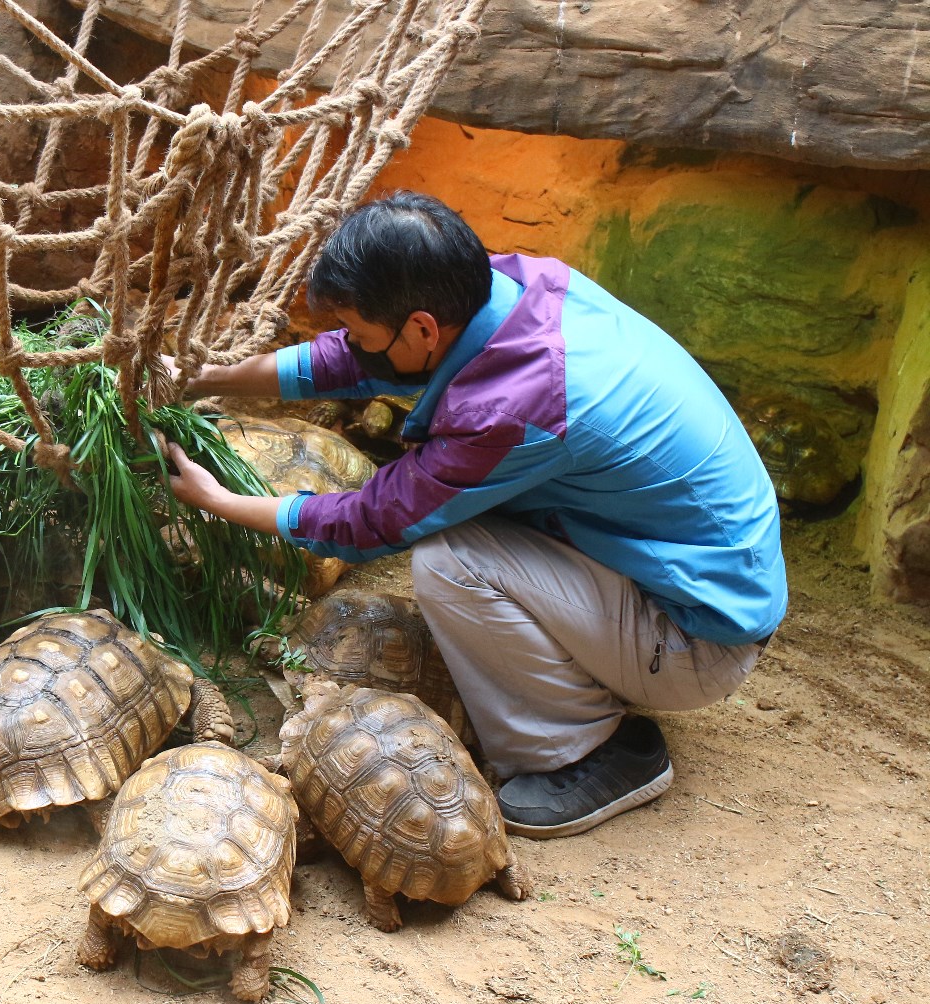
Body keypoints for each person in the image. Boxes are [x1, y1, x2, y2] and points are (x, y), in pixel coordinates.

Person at [163, 190, 786, 839]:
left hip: (701, 638)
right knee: (465, 524)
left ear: (424, 328)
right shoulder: (511, 283)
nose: (353, 346)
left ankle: (586, 754)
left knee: (449, 559)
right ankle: (588, 677)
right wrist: (203, 375)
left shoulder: (515, 405)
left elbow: (372, 523)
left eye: (365, 332)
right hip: (686, 568)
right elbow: (354, 361)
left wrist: (221, 502)